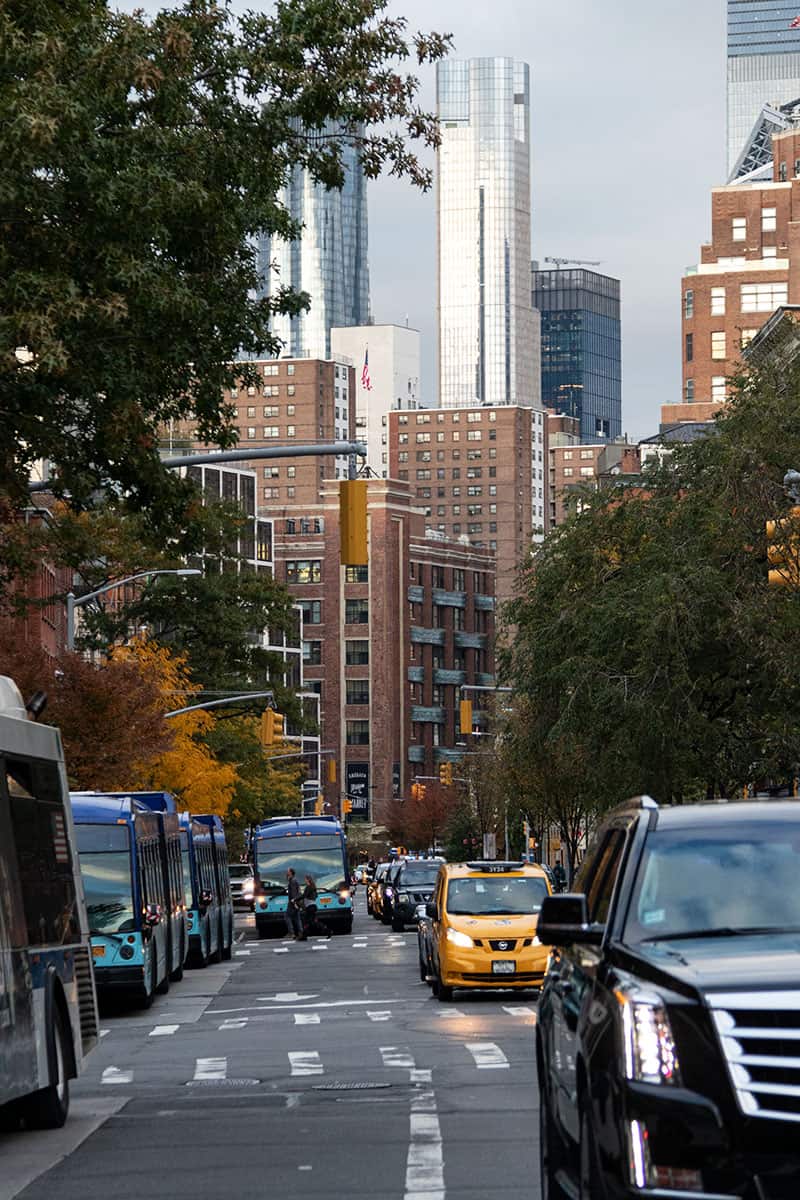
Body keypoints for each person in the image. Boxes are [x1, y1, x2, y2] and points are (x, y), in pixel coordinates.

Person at [298, 873, 331, 940]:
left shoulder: (309, 887)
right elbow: (316, 896)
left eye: (305, 879)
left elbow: (304, 895)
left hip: (310, 907)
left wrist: (295, 899)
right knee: (312, 922)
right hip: (312, 906)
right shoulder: (313, 887)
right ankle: (327, 930)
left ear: (308, 880)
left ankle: (304, 936)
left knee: (307, 921)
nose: (305, 881)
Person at [285, 868, 302, 939]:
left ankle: (291, 933)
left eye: (288, 872)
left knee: (287, 916)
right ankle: (301, 932)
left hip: (292, 902)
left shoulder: (293, 881)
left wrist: (294, 901)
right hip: (295, 902)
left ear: (291, 873)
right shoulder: (292, 880)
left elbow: (294, 893)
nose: (287, 872)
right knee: (297, 918)